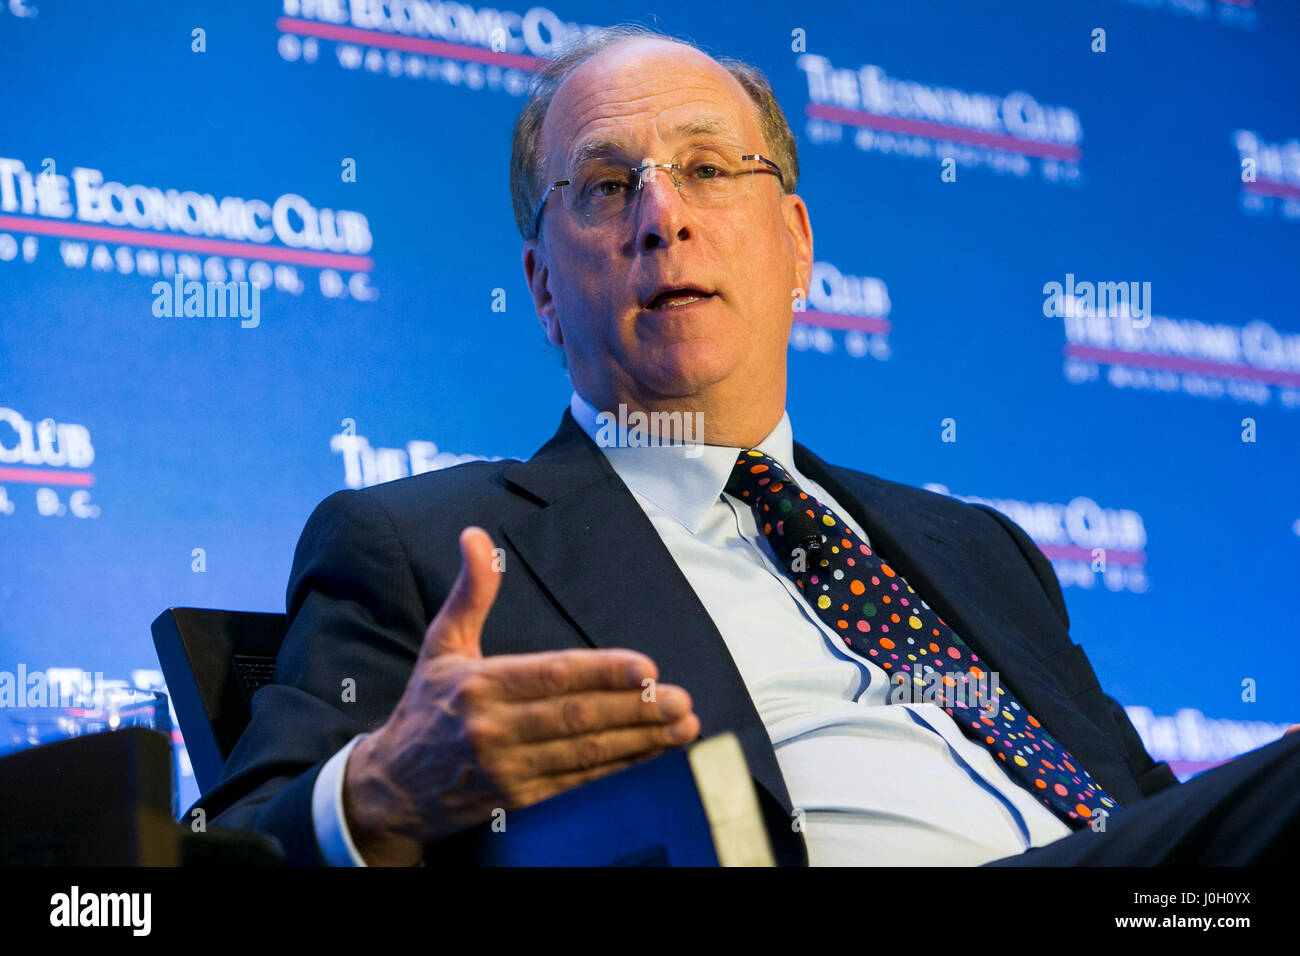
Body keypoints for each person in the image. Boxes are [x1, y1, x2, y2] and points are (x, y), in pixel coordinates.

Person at [196, 24, 1300, 867]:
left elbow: (1161, 821)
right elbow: (233, 846)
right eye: (606, 185)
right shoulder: (422, 543)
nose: (660, 217)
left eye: (709, 170)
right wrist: (379, 787)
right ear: (542, 286)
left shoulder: (976, 547)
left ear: (796, 243)